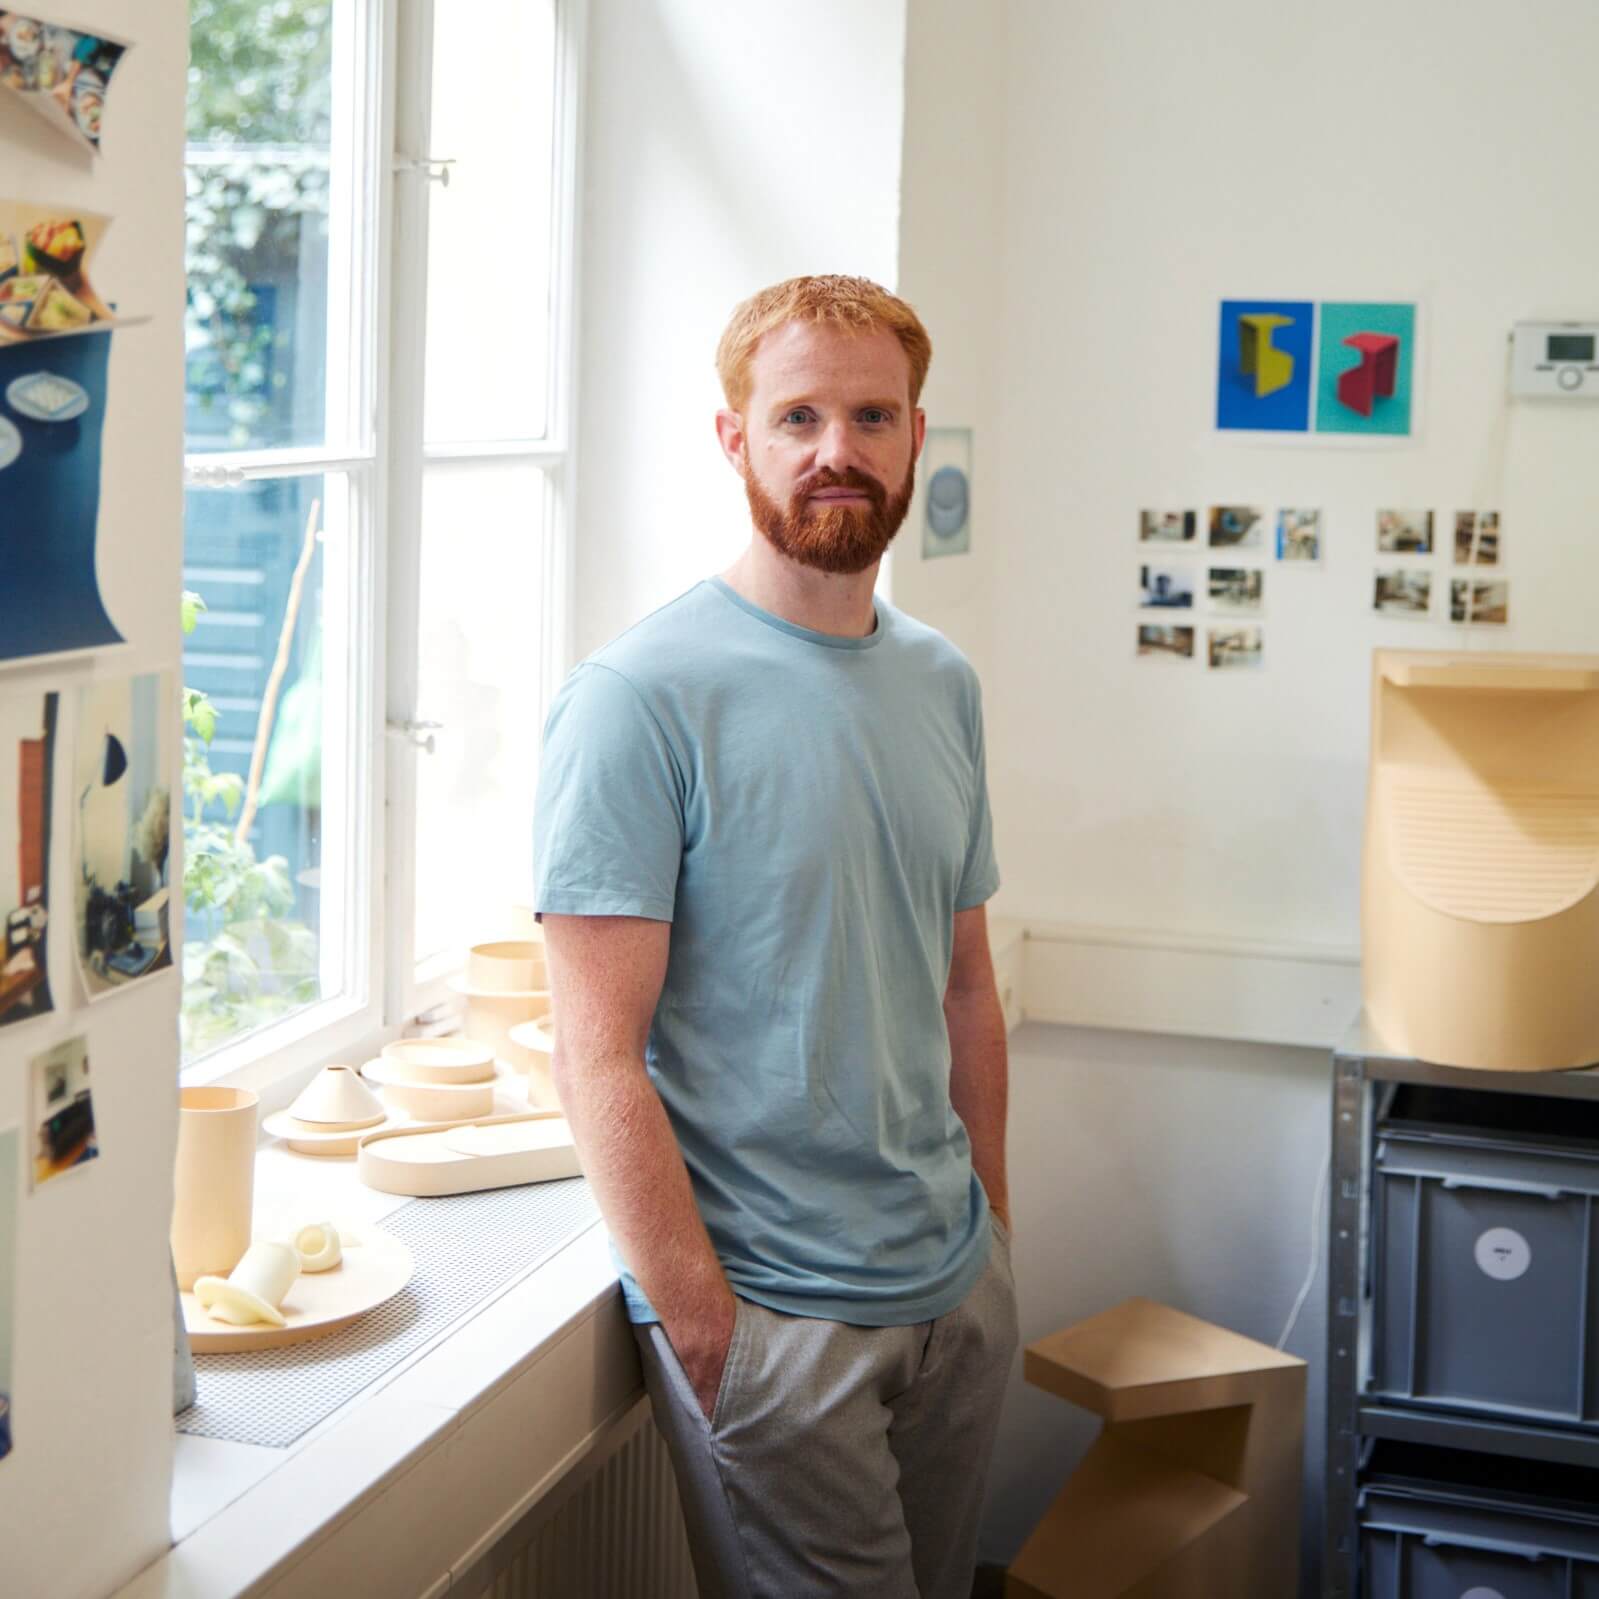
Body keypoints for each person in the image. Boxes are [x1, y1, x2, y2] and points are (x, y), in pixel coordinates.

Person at [533, 275, 1016, 1599]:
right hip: (777, 1327)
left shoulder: (940, 682)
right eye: (797, 415)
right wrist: (708, 1334)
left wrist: (997, 1243)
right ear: (734, 437)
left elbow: (966, 987)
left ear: (918, 433)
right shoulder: (637, 699)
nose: (837, 452)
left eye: (871, 415)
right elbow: (595, 1053)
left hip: (953, 1289)